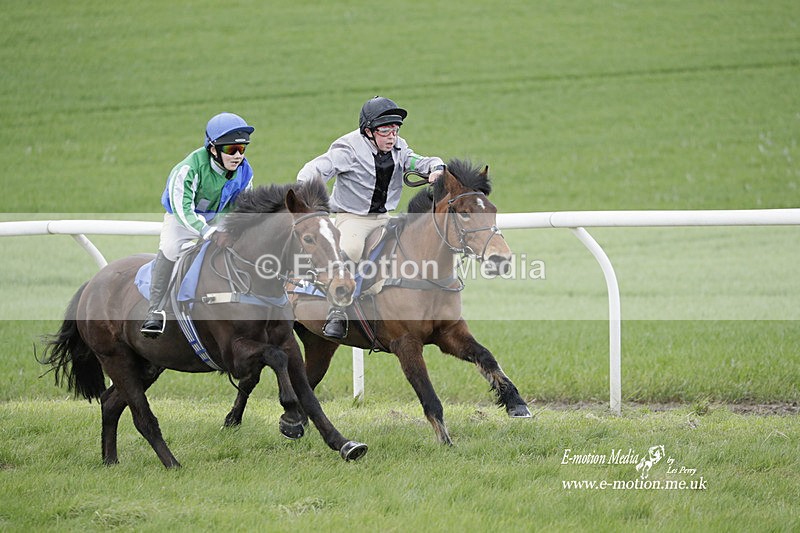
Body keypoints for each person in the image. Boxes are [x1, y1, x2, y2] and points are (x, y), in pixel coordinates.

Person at [296, 96, 445, 339]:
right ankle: (337, 311)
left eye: (395, 130)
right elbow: (316, 168)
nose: (392, 136)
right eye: (385, 130)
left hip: (384, 217)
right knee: (352, 249)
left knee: (406, 248)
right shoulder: (347, 149)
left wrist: (436, 168)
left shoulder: (399, 147)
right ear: (368, 131)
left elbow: (416, 161)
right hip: (352, 217)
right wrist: (304, 190)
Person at [140, 112, 255, 338]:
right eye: (231, 150)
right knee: (172, 248)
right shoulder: (188, 169)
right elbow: (183, 209)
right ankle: (155, 310)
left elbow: (244, 206)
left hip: (220, 217)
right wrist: (208, 232)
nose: (238, 156)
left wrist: (233, 229)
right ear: (213, 149)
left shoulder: (245, 171)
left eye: (242, 149)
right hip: (182, 218)